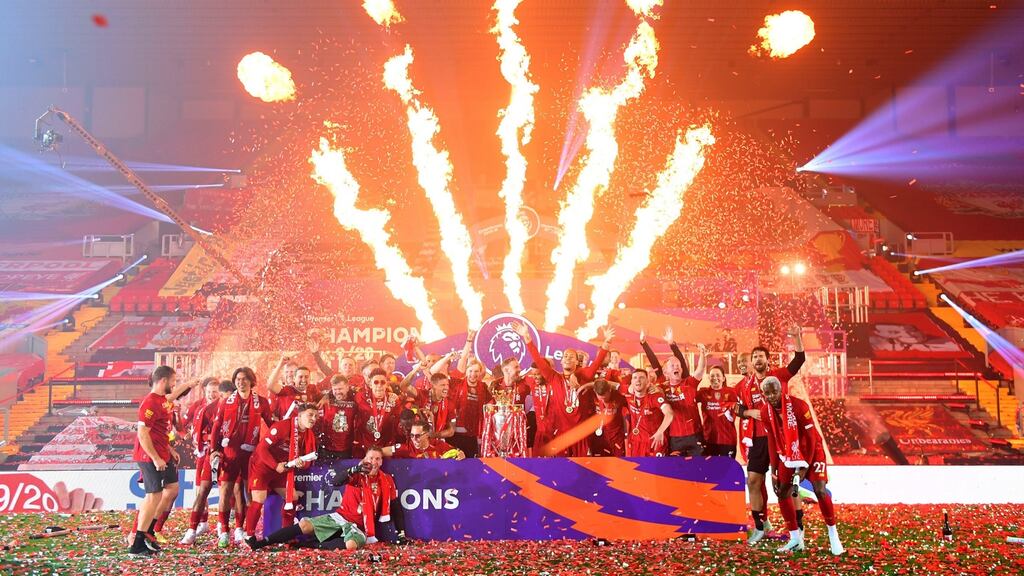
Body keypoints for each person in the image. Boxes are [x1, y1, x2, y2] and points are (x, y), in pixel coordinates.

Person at [248, 448, 407, 550]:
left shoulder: (386, 480)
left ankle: (311, 545)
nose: (374, 462)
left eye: (378, 459)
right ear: (365, 459)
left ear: (381, 462)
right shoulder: (357, 474)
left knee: (351, 545)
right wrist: (354, 469)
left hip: (360, 527)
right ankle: (263, 542)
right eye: (371, 458)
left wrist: (400, 533)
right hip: (340, 517)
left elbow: (395, 506)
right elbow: (335, 481)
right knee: (304, 525)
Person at [736, 325, 805, 545]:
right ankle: (759, 527)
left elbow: (798, 361)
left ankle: (798, 528)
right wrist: (749, 412)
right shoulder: (745, 385)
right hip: (758, 440)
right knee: (754, 481)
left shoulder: (778, 376)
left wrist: (796, 338)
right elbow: (737, 408)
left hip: (782, 439)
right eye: (754, 356)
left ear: (767, 360)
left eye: (761, 356)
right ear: (751, 362)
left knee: (786, 485)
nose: (758, 359)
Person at [759, 377, 843, 555]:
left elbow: (811, 437)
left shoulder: (799, 406)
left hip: (812, 450)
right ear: (763, 394)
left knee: (820, 490)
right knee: (781, 491)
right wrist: (773, 470)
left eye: (774, 391)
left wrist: (805, 466)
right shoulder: (765, 413)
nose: (772, 396)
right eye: (767, 393)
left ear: (781, 390)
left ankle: (833, 535)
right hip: (789, 453)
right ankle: (796, 539)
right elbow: (772, 442)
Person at [129, 366, 198, 555]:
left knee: (172, 489)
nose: (174, 384)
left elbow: (160, 431)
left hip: (163, 453)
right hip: (149, 456)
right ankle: (137, 541)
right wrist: (156, 457)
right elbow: (143, 434)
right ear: (163, 381)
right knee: (154, 496)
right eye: (173, 381)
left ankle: (149, 531)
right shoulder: (150, 403)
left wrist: (169, 449)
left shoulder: (162, 401)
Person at [516, 321, 612, 456]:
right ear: (560, 361)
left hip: (580, 436)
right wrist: (527, 337)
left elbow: (596, 363)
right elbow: (537, 359)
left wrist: (607, 343)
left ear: (577, 362)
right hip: (560, 438)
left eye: (571, 356)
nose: (567, 358)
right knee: (562, 472)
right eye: (565, 356)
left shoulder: (584, 377)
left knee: (582, 472)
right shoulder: (554, 378)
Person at [209, 367, 274, 547]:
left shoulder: (261, 402)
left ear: (251, 381)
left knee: (248, 493)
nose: (240, 382)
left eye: (245, 379)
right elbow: (216, 427)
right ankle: (223, 530)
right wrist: (214, 449)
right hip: (230, 452)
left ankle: (241, 528)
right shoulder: (226, 402)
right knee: (226, 491)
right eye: (237, 379)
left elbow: (272, 425)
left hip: (250, 454)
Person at [243, 403, 319, 546]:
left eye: (316, 416)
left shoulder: (309, 435)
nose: (313, 418)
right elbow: (261, 449)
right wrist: (274, 465)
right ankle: (249, 536)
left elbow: (309, 459)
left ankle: (285, 535)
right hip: (263, 466)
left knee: (293, 497)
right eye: (310, 415)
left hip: (282, 469)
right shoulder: (282, 426)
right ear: (300, 415)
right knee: (259, 499)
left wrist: (302, 463)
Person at [181, 379, 234, 545]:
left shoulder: (237, 407)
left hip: (230, 455)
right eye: (210, 391)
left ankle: (224, 529)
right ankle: (193, 528)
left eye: (216, 392)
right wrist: (209, 443)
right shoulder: (205, 409)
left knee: (228, 491)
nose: (214, 394)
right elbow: (196, 433)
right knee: (203, 490)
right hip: (209, 455)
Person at [640, 328, 705, 456]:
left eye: (678, 365)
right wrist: (643, 343)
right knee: (677, 472)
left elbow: (694, 367)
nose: (676, 366)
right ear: (665, 373)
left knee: (698, 472)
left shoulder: (687, 381)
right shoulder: (661, 386)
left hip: (695, 435)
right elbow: (655, 363)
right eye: (672, 366)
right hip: (675, 438)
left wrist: (671, 343)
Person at [623, 370, 674, 457]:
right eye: (635, 378)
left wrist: (660, 431)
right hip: (636, 443)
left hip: (654, 442)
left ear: (647, 381)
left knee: (656, 470)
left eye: (641, 378)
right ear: (631, 382)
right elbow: (608, 385)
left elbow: (669, 414)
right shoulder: (628, 395)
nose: (638, 380)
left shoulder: (655, 396)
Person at [354, 368, 403, 456]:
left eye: (382, 382)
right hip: (364, 447)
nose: (379, 385)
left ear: (387, 384)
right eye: (376, 382)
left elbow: (399, 422)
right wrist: (327, 396)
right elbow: (341, 393)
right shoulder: (360, 397)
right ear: (370, 384)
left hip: (386, 448)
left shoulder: (394, 399)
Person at [450, 357, 491, 458]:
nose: (473, 374)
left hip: (473, 433)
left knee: (471, 461)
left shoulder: (483, 387)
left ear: (480, 372)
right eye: (470, 370)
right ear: (466, 371)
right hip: (456, 431)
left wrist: (490, 406)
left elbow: (490, 401)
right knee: (456, 461)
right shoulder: (457, 383)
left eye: (476, 371)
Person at [697, 366, 738, 458]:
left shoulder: (731, 392)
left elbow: (742, 409)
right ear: (708, 378)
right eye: (712, 376)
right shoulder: (703, 392)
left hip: (727, 440)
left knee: (727, 471)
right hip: (708, 439)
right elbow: (689, 398)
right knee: (709, 471)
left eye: (718, 375)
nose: (715, 378)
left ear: (723, 378)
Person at [583, 378, 628, 456]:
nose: (603, 401)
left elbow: (632, 390)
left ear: (610, 390)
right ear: (595, 392)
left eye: (605, 398)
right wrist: (588, 384)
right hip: (599, 437)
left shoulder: (618, 396)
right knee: (599, 464)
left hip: (616, 437)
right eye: (600, 398)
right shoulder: (591, 395)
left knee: (618, 463)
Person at [405, 372, 457, 440]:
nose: (446, 388)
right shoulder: (422, 395)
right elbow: (404, 386)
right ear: (433, 386)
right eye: (443, 385)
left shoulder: (450, 403)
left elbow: (451, 431)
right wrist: (416, 369)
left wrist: (432, 435)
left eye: (447, 385)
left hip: (437, 441)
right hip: (417, 440)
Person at [317, 374, 357, 459]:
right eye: (335, 389)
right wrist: (327, 395)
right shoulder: (325, 400)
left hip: (346, 448)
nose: (338, 392)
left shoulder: (355, 400)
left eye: (340, 389)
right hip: (325, 448)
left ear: (347, 387)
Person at [385, 420, 465, 459]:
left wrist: (461, 454)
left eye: (417, 436)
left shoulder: (438, 445)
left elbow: (458, 452)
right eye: (412, 435)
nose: (414, 439)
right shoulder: (408, 447)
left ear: (426, 435)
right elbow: (383, 451)